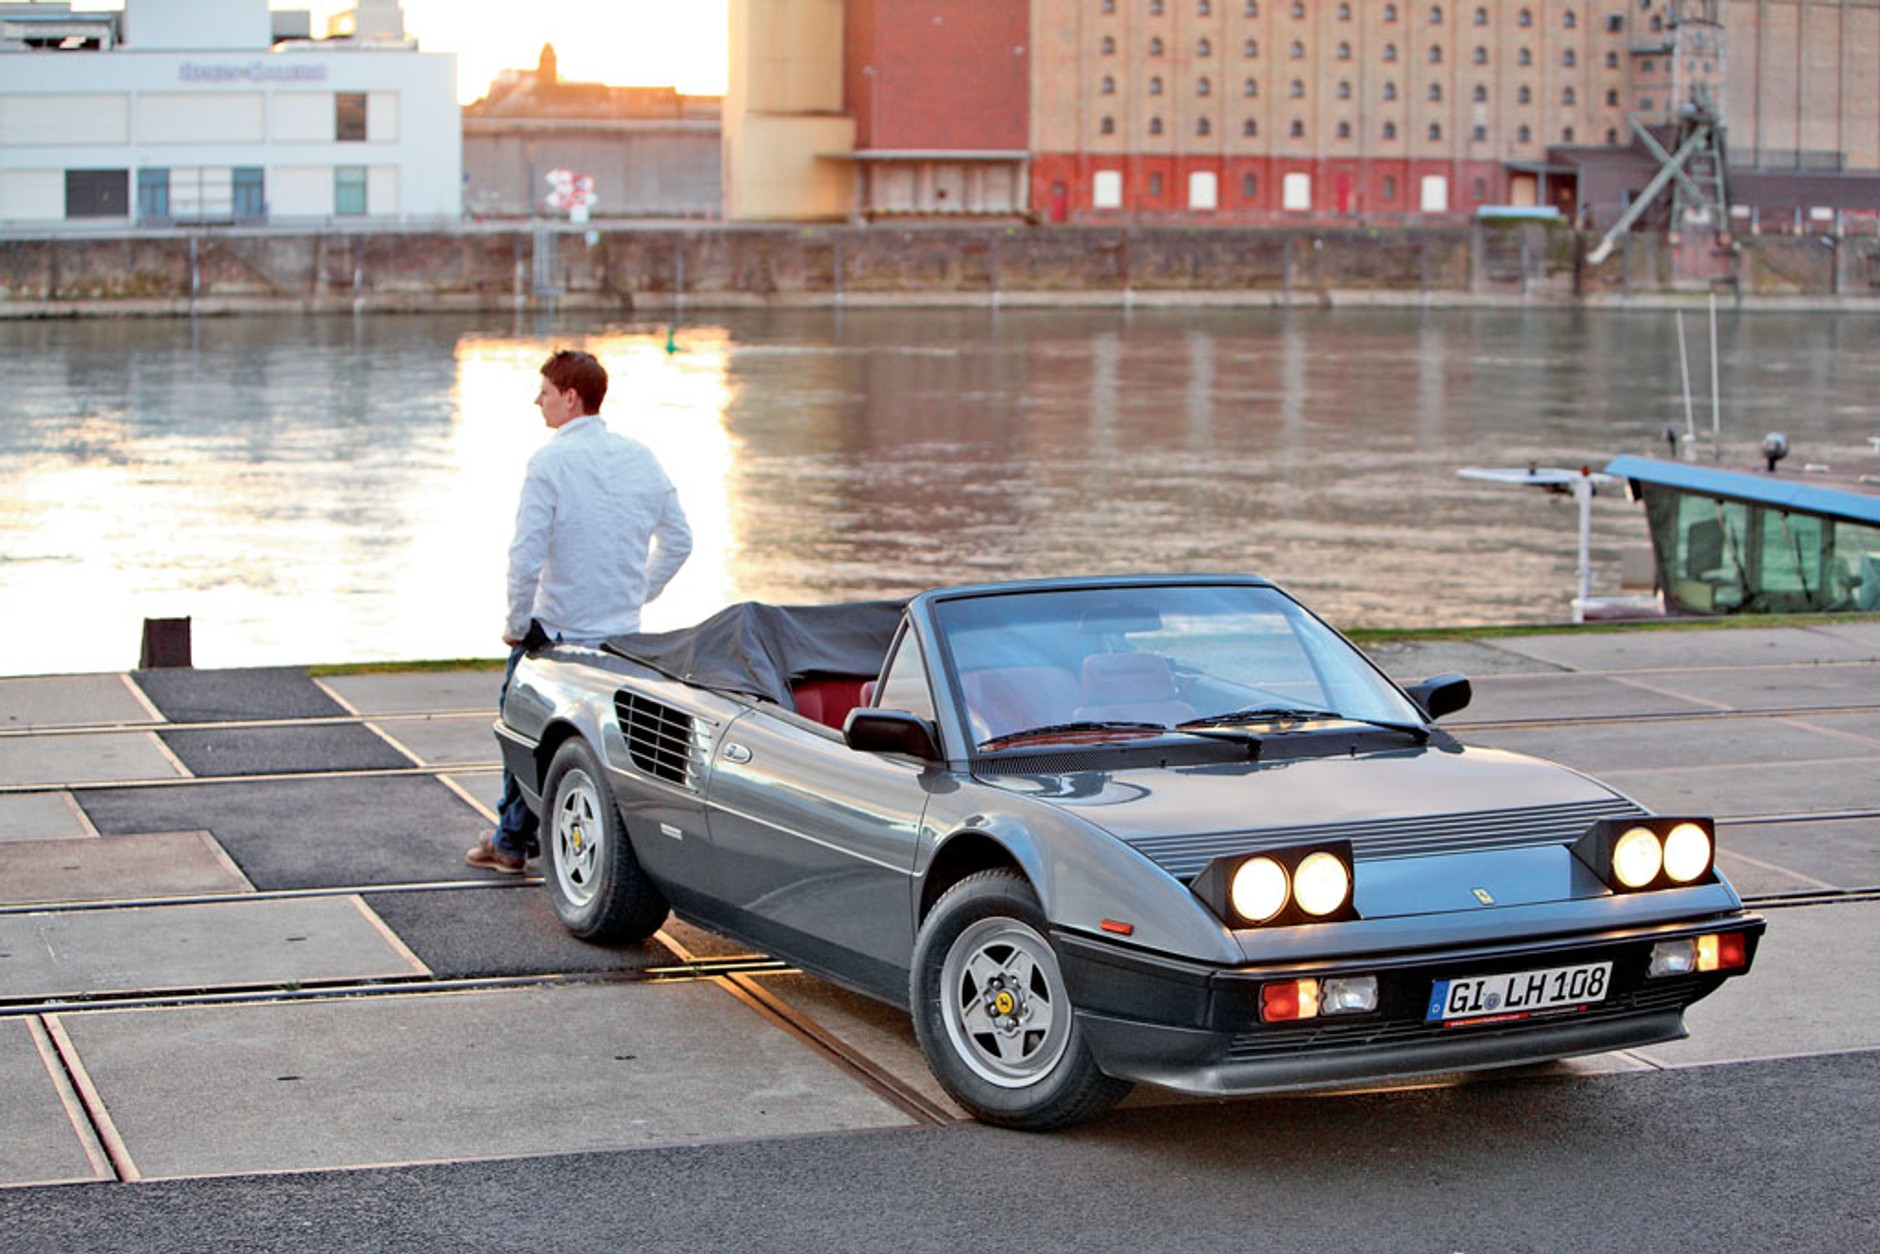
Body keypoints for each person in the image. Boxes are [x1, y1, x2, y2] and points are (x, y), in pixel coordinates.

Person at [466, 349, 693, 874]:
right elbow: (679, 541)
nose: (537, 401)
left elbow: (525, 555)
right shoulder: (640, 456)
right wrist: (637, 593)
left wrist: (516, 626)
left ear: (571, 398)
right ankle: (517, 835)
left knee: (522, 726)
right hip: (621, 634)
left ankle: (511, 841)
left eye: (543, 392)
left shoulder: (549, 462)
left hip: (557, 631)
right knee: (588, 739)